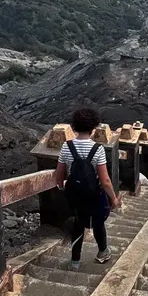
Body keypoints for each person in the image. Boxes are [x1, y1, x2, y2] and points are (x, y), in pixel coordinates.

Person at [56, 107, 120, 271]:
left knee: (78, 223)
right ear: (94, 128)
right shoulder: (98, 149)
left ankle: (75, 262)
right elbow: (105, 180)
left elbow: (59, 175)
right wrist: (113, 198)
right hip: (94, 195)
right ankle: (102, 252)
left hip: (75, 195)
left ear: (74, 127)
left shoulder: (66, 146)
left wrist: (63, 187)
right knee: (98, 222)